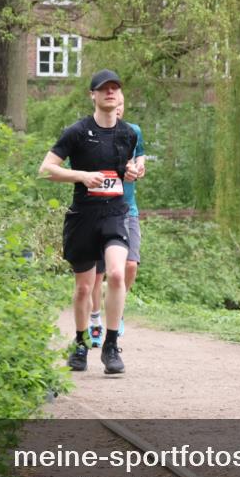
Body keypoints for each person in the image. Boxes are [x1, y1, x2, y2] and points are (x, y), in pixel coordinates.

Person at [38, 69, 140, 375]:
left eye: (115, 88)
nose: (110, 92)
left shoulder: (128, 134)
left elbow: (122, 171)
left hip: (115, 214)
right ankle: (81, 342)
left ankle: (110, 345)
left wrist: (131, 172)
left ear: (120, 96)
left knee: (117, 275)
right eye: (103, 89)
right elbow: (46, 169)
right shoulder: (77, 132)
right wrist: (81, 175)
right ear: (92, 96)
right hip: (83, 216)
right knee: (84, 288)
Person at [88, 100, 145, 346]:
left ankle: (116, 308)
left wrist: (139, 166)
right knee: (96, 273)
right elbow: (75, 167)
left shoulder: (132, 132)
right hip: (95, 211)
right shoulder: (88, 134)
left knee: (129, 266)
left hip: (126, 210)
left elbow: (140, 155)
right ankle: (95, 317)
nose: (118, 107)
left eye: (122, 104)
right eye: (115, 104)